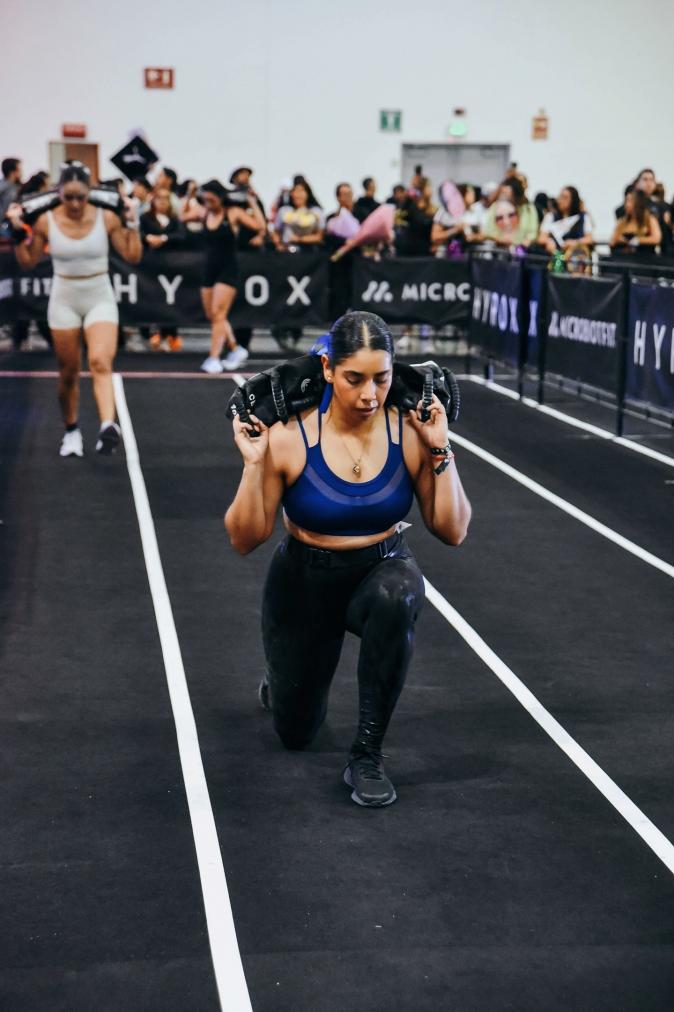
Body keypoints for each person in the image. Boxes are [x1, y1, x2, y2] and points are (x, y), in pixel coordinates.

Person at [225, 311, 471, 807]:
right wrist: (254, 465)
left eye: (381, 378)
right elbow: (245, 539)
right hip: (304, 579)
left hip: (379, 567)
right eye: (354, 379)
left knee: (398, 595)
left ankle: (367, 754)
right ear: (328, 369)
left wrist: (441, 450)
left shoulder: (410, 430)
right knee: (296, 733)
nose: (369, 395)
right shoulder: (289, 435)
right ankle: (281, 681)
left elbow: (453, 530)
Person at [5, 161, 142, 456]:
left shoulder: (106, 217)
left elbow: (132, 256)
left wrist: (133, 222)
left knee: (100, 361)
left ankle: (107, 425)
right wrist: (16, 232)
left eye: (81, 197)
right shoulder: (46, 221)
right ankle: (71, 431)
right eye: (69, 197)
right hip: (64, 297)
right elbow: (27, 262)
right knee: (68, 372)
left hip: (99, 294)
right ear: (59, 194)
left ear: (90, 193)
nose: (76, 203)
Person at [198, 178, 266, 373]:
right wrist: (190, 194)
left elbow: (259, 226)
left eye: (212, 200)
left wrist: (252, 202)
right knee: (212, 315)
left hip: (228, 268)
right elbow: (183, 216)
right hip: (210, 268)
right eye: (205, 200)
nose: (209, 204)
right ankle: (236, 349)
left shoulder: (233, 213)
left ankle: (214, 357)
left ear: (221, 198)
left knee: (219, 313)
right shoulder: (204, 212)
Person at [139, 188, 186, 351]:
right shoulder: (145, 218)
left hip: (170, 267)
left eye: (165, 199)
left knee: (169, 301)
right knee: (150, 298)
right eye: (159, 199)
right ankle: (151, 333)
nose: (162, 202)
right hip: (150, 265)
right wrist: (148, 238)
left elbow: (182, 235)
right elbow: (138, 234)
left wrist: (164, 238)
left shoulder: (174, 220)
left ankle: (170, 334)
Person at [482, 176, 539, 247]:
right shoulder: (495, 207)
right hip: (498, 249)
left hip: (520, 250)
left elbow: (532, 234)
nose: (505, 196)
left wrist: (520, 248)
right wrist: (500, 240)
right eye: (504, 193)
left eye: (507, 194)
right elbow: (488, 231)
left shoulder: (528, 208)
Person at [610, 185, 662, 260]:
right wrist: (620, 239)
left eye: (630, 201)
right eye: (626, 201)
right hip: (624, 258)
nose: (627, 205)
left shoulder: (649, 219)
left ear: (638, 203)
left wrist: (638, 240)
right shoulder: (622, 221)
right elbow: (612, 242)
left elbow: (657, 238)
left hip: (644, 259)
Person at [538, 186, 594, 254]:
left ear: (573, 200)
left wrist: (575, 242)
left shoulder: (583, 217)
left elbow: (589, 239)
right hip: (555, 255)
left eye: (565, 198)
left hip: (575, 256)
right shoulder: (551, 216)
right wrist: (548, 241)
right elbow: (541, 238)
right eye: (560, 197)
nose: (561, 200)